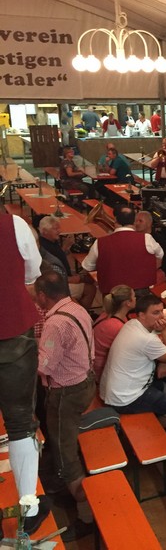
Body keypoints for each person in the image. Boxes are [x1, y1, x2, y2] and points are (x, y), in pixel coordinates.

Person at [34, 270, 96, 541]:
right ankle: (67, 485)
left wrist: (26, 353)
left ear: (42, 296)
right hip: (85, 382)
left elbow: (44, 367)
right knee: (65, 441)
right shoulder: (76, 308)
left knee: (64, 449)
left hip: (65, 394)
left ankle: (86, 515)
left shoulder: (55, 323)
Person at [0, 212, 48, 535]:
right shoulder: (14, 225)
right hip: (11, 327)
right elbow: (32, 272)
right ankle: (29, 509)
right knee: (19, 421)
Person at [100, 293, 166, 427]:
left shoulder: (131, 324)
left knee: (163, 387)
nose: (161, 317)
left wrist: (163, 362)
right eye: (155, 313)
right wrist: (165, 330)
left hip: (114, 391)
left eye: (161, 311)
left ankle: (160, 417)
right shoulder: (146, 340)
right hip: (124, 399)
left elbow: (159, 350)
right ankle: (154, 432)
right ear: (141, 315)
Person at [82, 205, 164, 295]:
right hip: (141, 292)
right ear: (134, 221)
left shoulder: (99, 242)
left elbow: (87, 266)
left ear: (115, 220)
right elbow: (160, 254)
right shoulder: (147, 238)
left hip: (111, 294)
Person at [37, 215, 97, 310]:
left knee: (88, 279)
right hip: (58, 287)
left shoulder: (48, 242)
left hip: (62, 277)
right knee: (90, 289)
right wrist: (77, 278)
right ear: (45, 231)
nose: (59, 231)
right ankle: (81, 313)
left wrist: (65, 247)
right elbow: (58, 277)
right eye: (55, 229)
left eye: (59, 228)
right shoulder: (47, 248)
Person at [92, 285, 135, 381]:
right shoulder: (117, 326)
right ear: (128, 303)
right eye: (134, 296)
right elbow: (132, 351)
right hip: (102, 372)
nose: (136, 299)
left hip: (97, 364)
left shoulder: (107, 314)